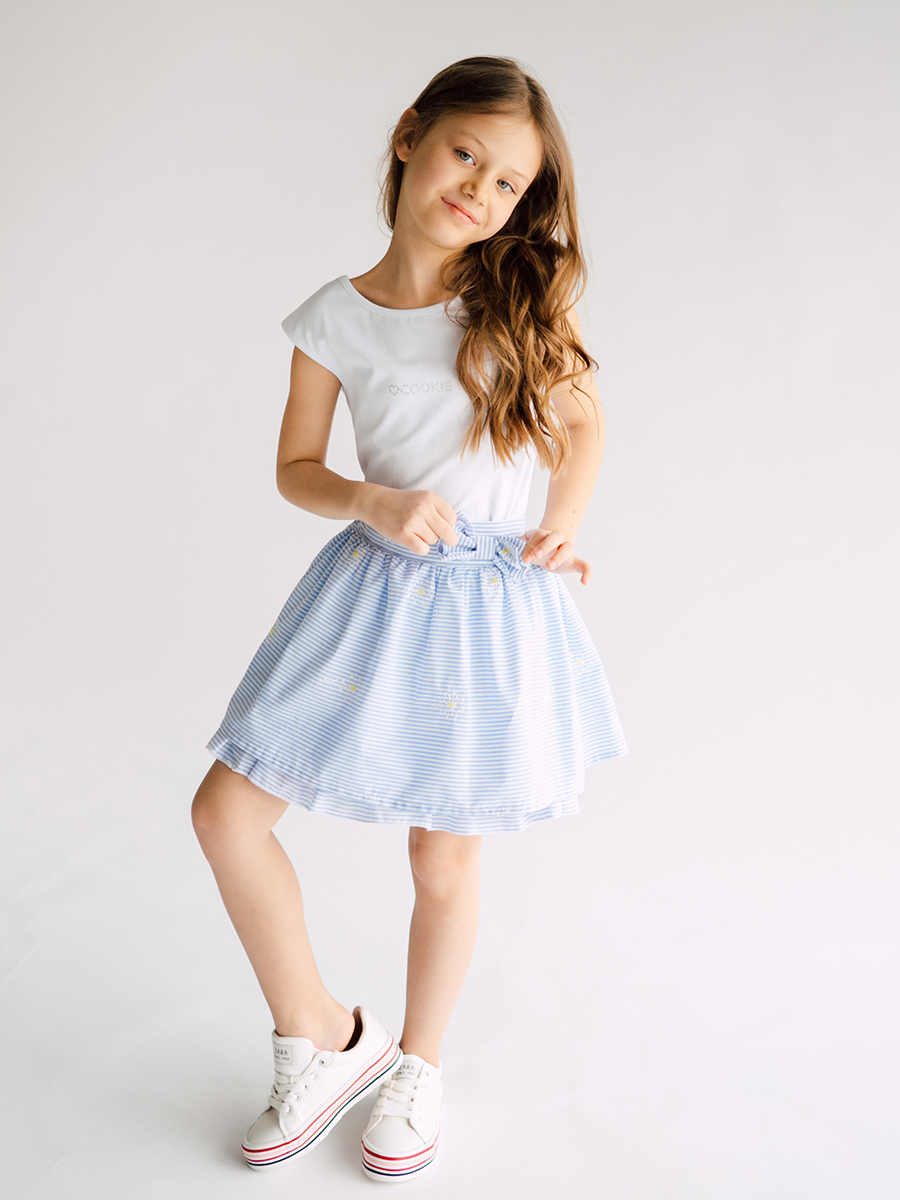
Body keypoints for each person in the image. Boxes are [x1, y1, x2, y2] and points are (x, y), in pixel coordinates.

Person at [191, 54, 627, 1183]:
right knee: (228, 813)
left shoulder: (518, 300)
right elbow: (295, 466)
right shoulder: (334, 317)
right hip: (373, 588)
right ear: (409, 135)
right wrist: (368, 499)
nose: (478, 190)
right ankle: (324, 1034)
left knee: (442, 852)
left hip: (487, 606)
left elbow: (584, 423)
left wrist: (562, 522)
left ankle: (418, 1067)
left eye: (508, 183)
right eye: (464, 154)